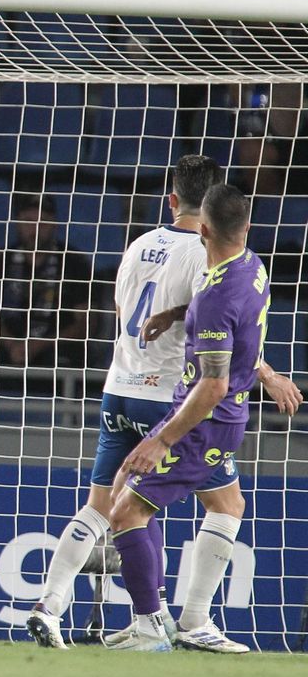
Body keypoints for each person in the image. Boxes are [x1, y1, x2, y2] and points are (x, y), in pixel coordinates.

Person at [26, 157, 302, 652]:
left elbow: (122, 309)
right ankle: (189, 621)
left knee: (103, 504)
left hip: (119, 386)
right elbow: (222, 336)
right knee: (224, 503)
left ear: (171, 200)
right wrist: (266, 373)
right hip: (172, 400)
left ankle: (50, 604)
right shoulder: (209, 256)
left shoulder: (138, 246)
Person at [107, 185, 282, 650]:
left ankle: (149, 626)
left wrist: (161, 438)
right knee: (228, 506)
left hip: (203, 419)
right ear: (246, 227)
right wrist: (174, 312)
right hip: (226, 418)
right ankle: (195, 623)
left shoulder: (216, 295)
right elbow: (231, 323)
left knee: (124, 509)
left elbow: (213, 384)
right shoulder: (251, 266)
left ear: (202, 229)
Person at [0, 194, 95, 371]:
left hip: (57, 345)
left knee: (69, 363)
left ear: (54, 224)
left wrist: (38, 345)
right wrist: (12, 345)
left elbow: (86, 322)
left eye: (43, 221)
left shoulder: (74, 262)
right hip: (9, 344)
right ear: (17, 223)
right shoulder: (0, 260)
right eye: (28, 220)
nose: (36, 228)